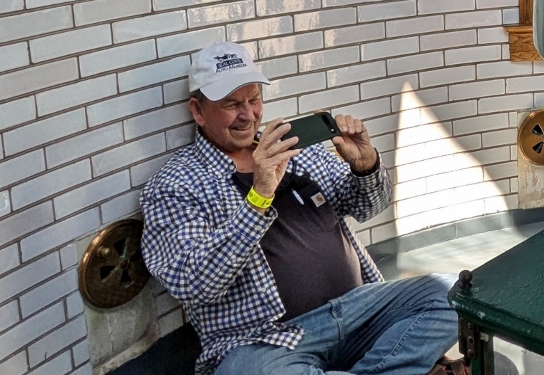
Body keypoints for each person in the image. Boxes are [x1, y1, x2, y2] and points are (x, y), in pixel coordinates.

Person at [141, 42, 459, 375]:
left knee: (454, 294)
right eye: (232, 104)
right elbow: (194, 283)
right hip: (267, 341)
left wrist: (366, 167)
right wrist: (259, 196)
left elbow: (368, 206)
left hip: (359, 312)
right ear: (198, 111)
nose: (248, 115)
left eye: (254, 99)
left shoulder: (296, 149)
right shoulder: (174, 185)